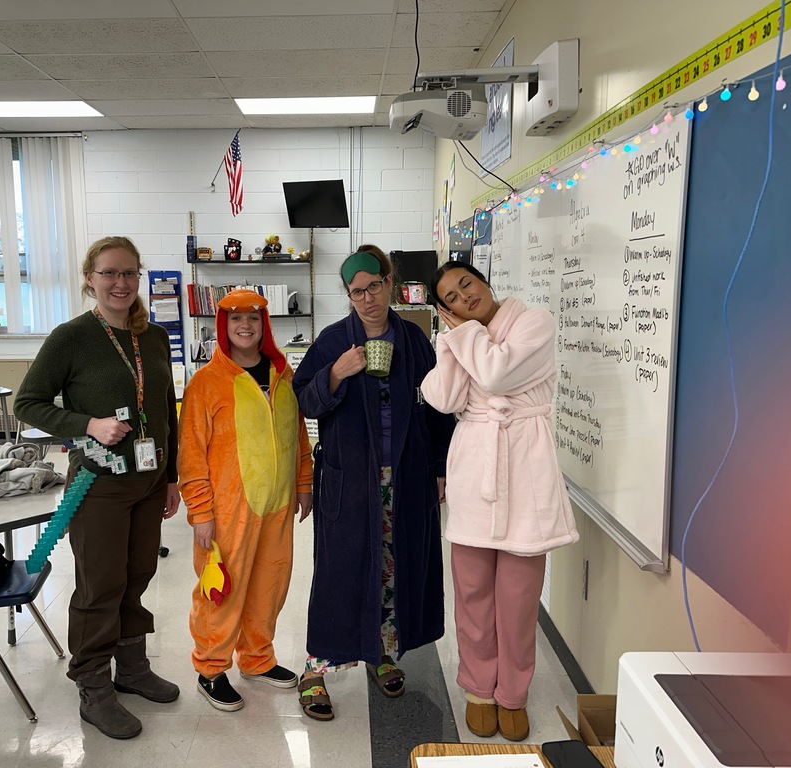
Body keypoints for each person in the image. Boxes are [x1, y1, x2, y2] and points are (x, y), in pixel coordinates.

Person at [14, 236, 181, 740]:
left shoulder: (153, 336)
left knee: (137, 575)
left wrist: (171, 476)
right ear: (90, 278)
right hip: (99, 483)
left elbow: (165, 411)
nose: (120, 283)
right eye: (109, 273)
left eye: (129, 273)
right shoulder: (71, 337)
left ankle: (131, 669)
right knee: (100, 584)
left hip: (149, 482)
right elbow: (28, 403)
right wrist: (87, 424)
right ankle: (93, 685)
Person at [291, 245, 455, 721]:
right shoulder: (331, 342)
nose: (367, 298)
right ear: (348, 295)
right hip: (350, 481)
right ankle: (316, 668)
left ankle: (379, 651)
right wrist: (335, 373)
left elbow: (440, 407)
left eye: (374, 287)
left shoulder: (414, 340)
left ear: (389, 284)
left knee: (393, 567)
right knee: (338, 573)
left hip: (404, 477)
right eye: (356, 291)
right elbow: (304, 401)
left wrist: (440, 467)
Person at [420, 261, 579, 741]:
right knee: (471, 594)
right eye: (450, 298)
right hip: (475, 470)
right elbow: (442, 397)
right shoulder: (462, 338)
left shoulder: (534, 322)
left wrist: (463, 335)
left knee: (518, 599)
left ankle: (513, 693)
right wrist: (449, 342)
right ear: (444, 310)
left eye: (466, 284)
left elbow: (495, 373)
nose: (463, 297)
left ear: (484, 281)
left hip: (525, 466)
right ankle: (478, 689)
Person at [178, 289, 314, 712]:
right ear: (223, 325)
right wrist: (200, 511)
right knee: (222, 588)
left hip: (277, 503)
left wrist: (304, 483)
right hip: (227, 510)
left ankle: (257, 658)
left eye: (253, 319)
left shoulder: (283, 375)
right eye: (235, 318)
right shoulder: (205, 383)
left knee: (270, 585)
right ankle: (211, 668)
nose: (245, 326)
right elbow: (191, 454)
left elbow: (298, 436)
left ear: (264, 325)